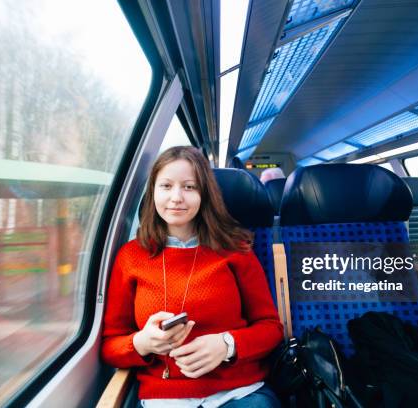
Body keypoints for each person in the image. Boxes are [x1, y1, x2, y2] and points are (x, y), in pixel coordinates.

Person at [101, 146, 283, 407]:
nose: (176, 197)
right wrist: (143, 342)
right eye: (166, 186)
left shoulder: (236, 250)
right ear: (153, 193)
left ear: (205, 195)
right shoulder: (131, 257)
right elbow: (111, 345)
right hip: (164, 397)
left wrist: (226, 345)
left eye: (189, 187)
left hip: (238, 392)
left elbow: (271, 328)